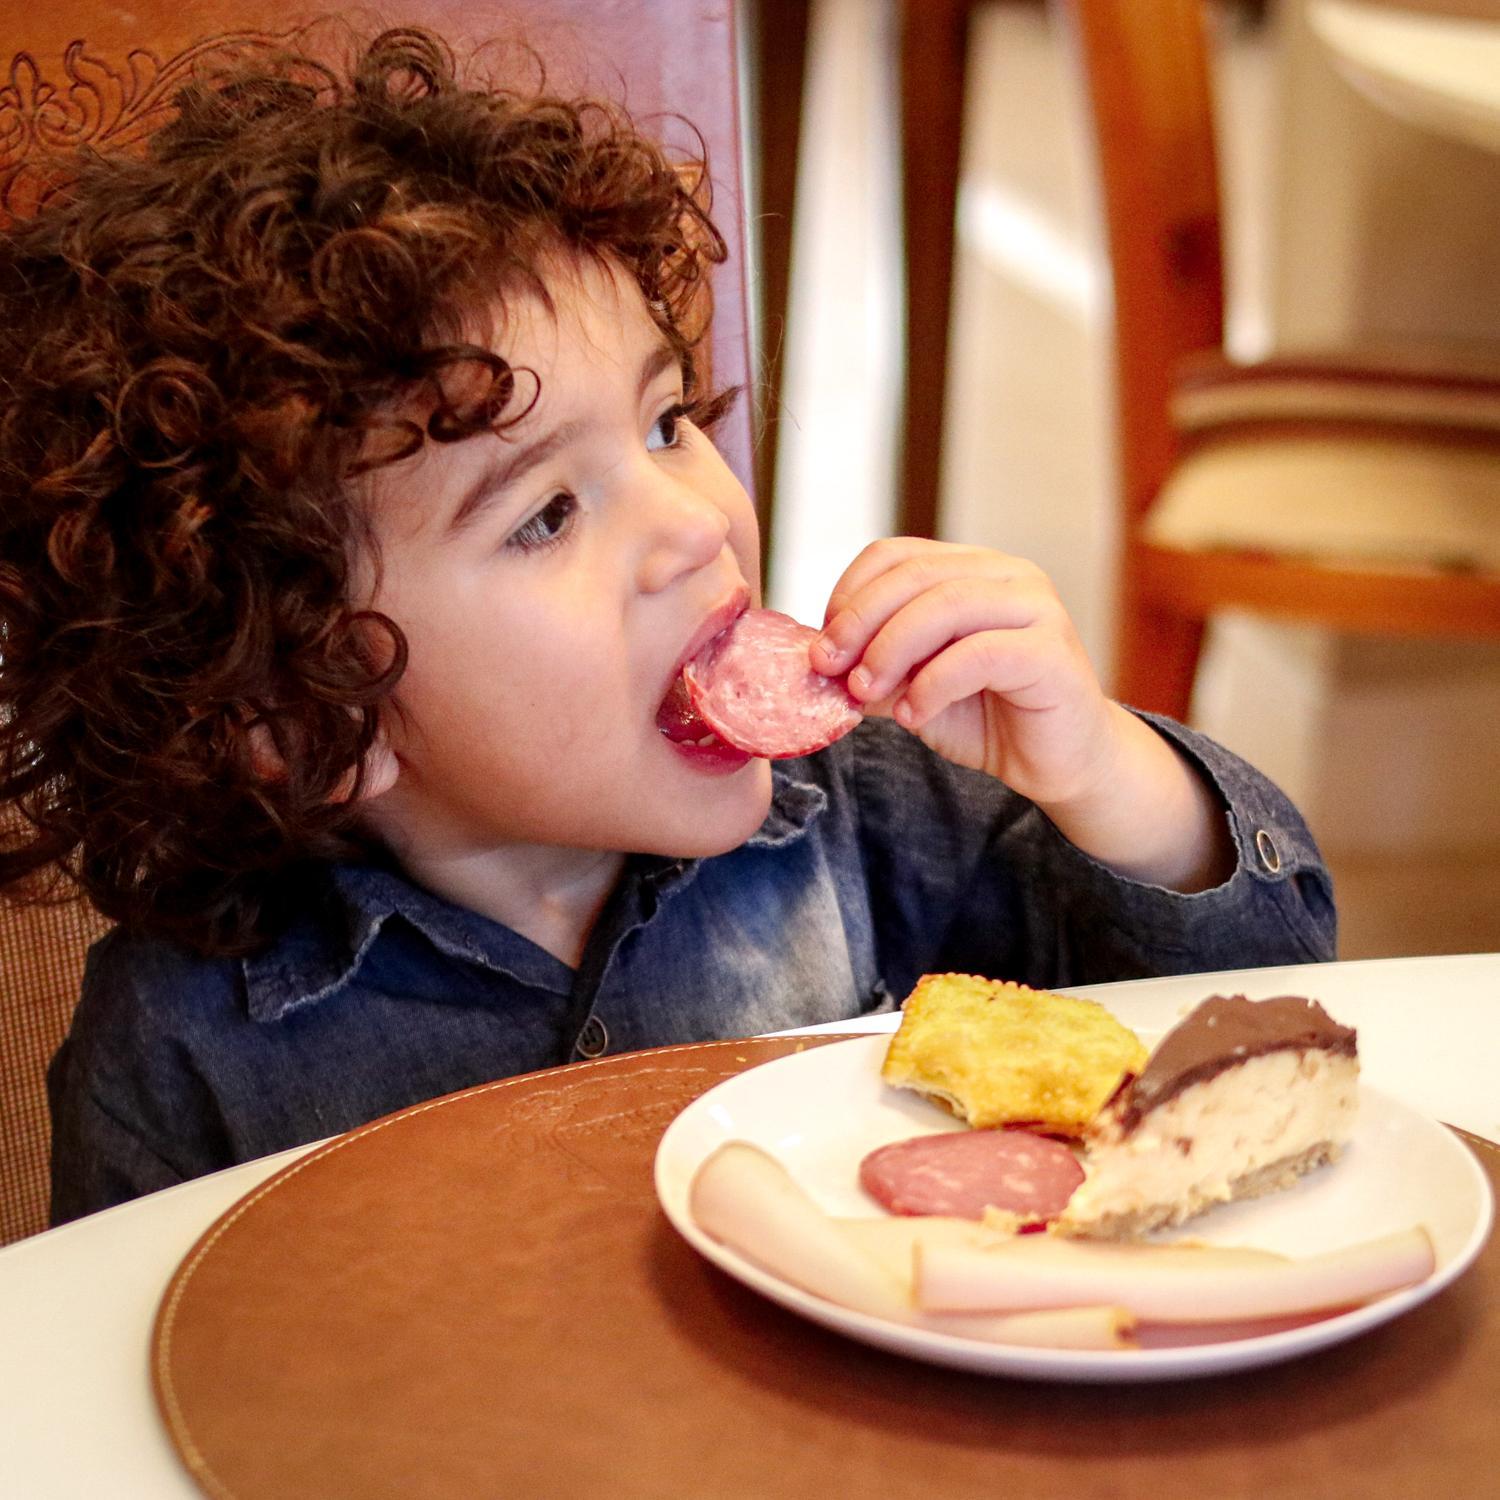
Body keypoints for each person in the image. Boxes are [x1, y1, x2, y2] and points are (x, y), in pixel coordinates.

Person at [0, 27, 1334, 1225]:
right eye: (547, 515)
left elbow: (1258, 1027)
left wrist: (1103, 773)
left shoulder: (871, 822)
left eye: (666, 422)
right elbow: (129, 1369)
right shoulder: (185, 1048)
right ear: (306, 719)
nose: (697, 523)